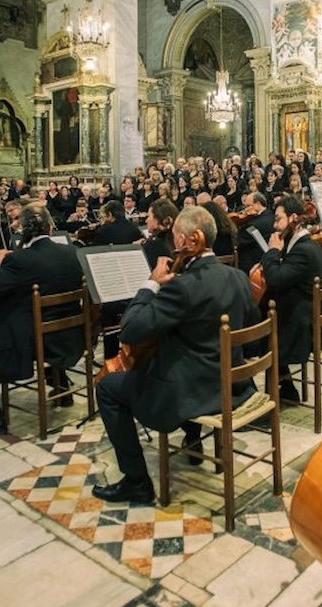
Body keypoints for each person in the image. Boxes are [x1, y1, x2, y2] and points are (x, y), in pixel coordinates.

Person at [92, 206, 260, 504]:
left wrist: (152, 284)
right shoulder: (237, 277)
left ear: (183, 241)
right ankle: (192, 438)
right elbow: (252, 331)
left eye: (173, 238)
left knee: (107, 387)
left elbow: (129, 330)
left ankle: (136, 481)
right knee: (183, 358)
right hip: (233, 386)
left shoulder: (182, 287)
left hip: (195, 392)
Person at [0, 203, 85, 433]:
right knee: (41, 319)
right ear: (49, 228)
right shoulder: (73, 253)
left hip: (33, 344)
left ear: (23, 231)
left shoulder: (19, 260)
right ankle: (62, 389)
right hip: (71, 336)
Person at [258, 195, 322, 403]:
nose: (274, 225)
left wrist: (272, 252)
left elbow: (276, 279)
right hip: (298, 314)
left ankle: (257, 395)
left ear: (294, 218)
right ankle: (287, 387)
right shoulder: (299, 244)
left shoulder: (303, 249)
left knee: (253, 335)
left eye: (278, 219)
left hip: (301, 327)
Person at [235, 191, 275, 272]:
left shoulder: (253, 224)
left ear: (257, 204)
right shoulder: (271, 216)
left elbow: (238, 241)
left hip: (252, 266)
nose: (245, 210)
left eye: (248, 206)